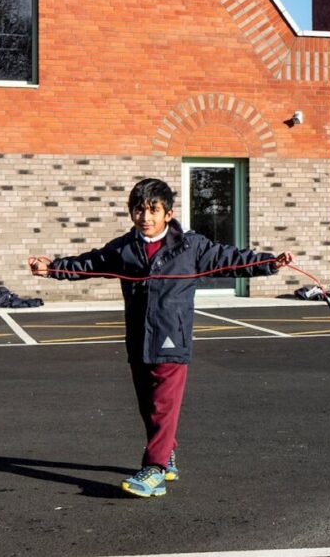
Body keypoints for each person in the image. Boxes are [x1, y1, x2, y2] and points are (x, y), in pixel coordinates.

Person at [29, 175, 290, 500]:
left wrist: (269, 263)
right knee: (149, 407)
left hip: (173, 338)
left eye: (153, 210)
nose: (145, 217)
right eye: (139, 210)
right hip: (138, 337)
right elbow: (89, 263)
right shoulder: (124, 247)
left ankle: (154, 470)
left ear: (168, 214)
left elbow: (230, 259)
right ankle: (167, 455)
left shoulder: (190, 246)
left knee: (164, 405)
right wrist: (52, 268)